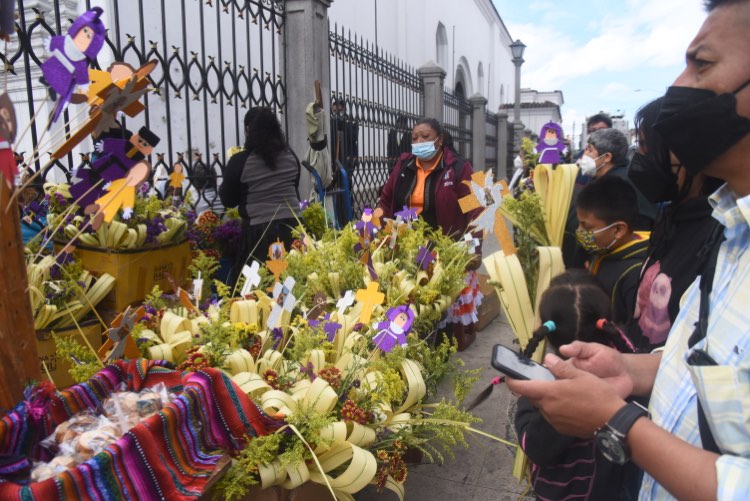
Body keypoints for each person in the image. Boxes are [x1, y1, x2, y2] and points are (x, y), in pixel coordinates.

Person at [507, 2, 750, 499]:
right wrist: (631, 371)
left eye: (701, 64)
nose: (678, 86)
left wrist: (620, 424)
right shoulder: (730, 232)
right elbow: (710, 370)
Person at [515, 270, 636, 500]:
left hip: (564, 493)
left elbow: (535, 447)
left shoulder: (556, 390)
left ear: (544, 328)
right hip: (612, 489)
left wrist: (527, 399)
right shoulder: (629, 361)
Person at [627, 98, 723, 351]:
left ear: (682, 148)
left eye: (647, 146)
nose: (640, 158)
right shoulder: (672, 216)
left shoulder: (719, 230)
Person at [220, 107, 301, 287]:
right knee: (293, 284)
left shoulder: (240, 161)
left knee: (257, 290)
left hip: (259, 237)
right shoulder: (291, 157)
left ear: (248, 130)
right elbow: (294, 188)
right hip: (292, 231)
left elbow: (228, 200)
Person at [563, 128, 656, 268]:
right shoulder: (613, 178)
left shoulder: (615, 186)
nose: (584, 155)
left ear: (606, 157)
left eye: (590, 149)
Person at [379, 118, 477, 237]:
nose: (419, 141)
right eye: (414, 138)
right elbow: (386, 200)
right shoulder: (404, 165)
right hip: (405, 245)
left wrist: (473, 248)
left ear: (440, 139)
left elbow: (473, 209)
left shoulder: (458, 168)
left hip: (443, 247)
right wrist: (381, 235)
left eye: (425, 136)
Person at [576, 176, 650, 326]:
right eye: (579, 224)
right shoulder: (605, 248)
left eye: (587, 227)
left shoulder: (636, 273)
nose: (579, 231)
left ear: (618, 230)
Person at [330, 97, 359, 173]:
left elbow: (354, 137)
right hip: (335, 158)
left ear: (343, 109)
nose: (337, 113)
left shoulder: (350, 120)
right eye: (334, 111)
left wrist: (344, 124)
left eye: (339, 111)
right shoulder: (331, 122)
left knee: (347, 181)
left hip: (348, 157)